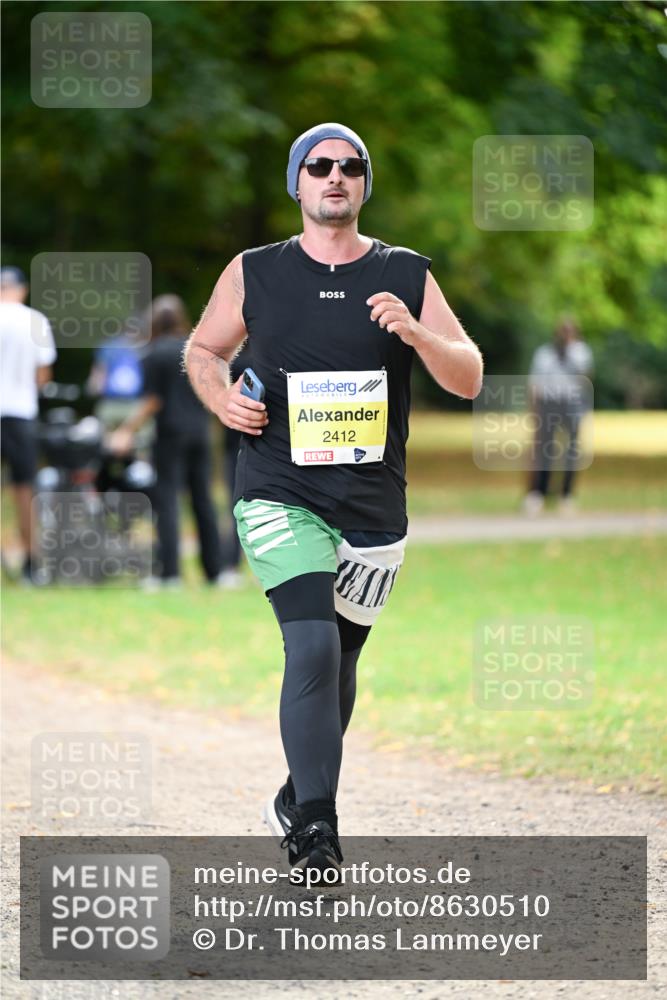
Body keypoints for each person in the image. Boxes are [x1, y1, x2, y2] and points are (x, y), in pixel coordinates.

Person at [184, 123, 483, 882]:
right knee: (311, 645)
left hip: (373, 506)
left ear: (363, 183)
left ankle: (297, 792)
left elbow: (469, 377)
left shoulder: (405, 273)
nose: (334, 177)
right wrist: (222, 401)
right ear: (297, 182)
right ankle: (316, 832)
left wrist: (415, 333)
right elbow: (201, 349)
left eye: (350, 167)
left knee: (340, 660)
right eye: (318, 166)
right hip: (278, 490)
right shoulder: (255, 271)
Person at [110, 295, 224, 587]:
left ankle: (170, 573)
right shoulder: (198, 351)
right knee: (203, 500)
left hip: (170, 434)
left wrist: (126, 430)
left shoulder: (154, 353)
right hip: (200, 432)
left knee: (168, 500)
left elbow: (153, 401)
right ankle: (217, 572)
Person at [0, 265, 56, 583]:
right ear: (22, 289)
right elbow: (42, 375)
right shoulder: (35, 320)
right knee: (24, 489)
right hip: (21, 412)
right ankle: (31, 563)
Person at [523, 318, 594, 517]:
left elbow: (585, 379)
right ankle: (538, 494)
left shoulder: (581, 352)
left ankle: (567, 495)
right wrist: (534, 409)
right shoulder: (544, 354)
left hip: (571, 404)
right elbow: (535, 384)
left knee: (571, 450)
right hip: (548, 403)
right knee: (545, 449)